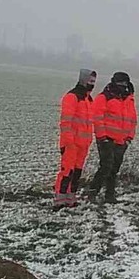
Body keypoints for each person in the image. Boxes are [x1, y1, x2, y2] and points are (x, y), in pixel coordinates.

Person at [88, 71, 137, 203]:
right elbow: (97, 118)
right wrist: (102, 136)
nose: (123, 85)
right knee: (106, 167)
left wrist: (129, 138)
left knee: (114, 169)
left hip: (122, 141)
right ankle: (92, 193)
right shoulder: (104, 97)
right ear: (114, 82)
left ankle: (109, 195)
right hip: (106, 139)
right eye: (120, 83)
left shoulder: (129, 99)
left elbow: (133, 119)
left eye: (125, 83)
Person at [55, 69, 96, 209]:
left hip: (83, 144)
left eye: (94, 82)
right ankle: (60, 200)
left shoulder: (89, 100)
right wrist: (68, 141)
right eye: (90, 81)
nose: (92, 84)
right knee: (67, 171)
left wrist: (89, 140)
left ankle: (71, 198)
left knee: (77, 172)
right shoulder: (72, 97)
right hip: (71, 143)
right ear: (83, 80)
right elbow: (66, 122)